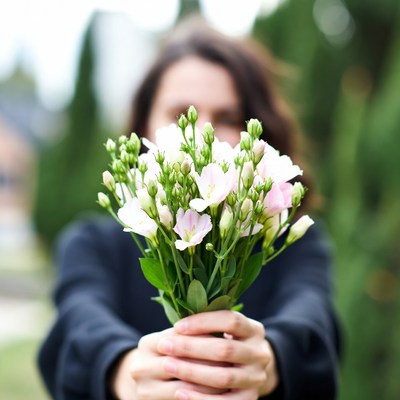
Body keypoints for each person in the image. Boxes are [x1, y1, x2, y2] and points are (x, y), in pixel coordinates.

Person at [38, 17, 341, 400]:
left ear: (258, 136)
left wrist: (268, 363)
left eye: (228, 118)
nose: (201, 135)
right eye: (182, 114)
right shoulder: (92, 242)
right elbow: (79, 323)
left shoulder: (294, 242)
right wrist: (125, 371)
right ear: (145, 126)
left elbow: (311, 321)